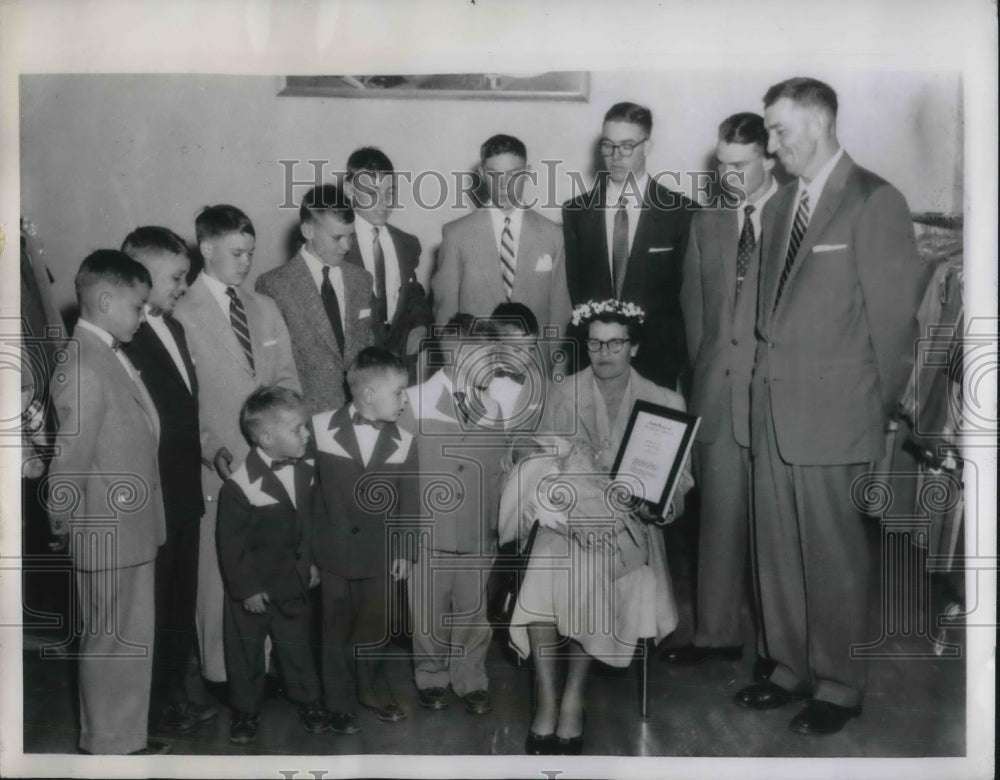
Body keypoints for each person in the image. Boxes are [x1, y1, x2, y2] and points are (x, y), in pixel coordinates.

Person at [736, 77, 924, 736]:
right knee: (778, 550)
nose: (772, 143)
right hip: (773, 409)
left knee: (835, 556)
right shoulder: (780, 205)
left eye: (780, 129)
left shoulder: (875, 201)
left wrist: (872, 417)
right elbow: (768, 317)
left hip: (837, 414)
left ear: (817, 124)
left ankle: (840, 684)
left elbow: (895, 328)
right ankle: (788, 667)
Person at [500, 299, 693, 755]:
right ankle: (547, 698)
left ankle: (572, 700)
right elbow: (537, 457)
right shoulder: (562, 392)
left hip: (629, 527)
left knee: (591, 566)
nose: (604, 353)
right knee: (546, 564)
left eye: (615, 343)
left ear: (635, 347)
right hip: (565, 517)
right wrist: (551, 494)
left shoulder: (666, 401)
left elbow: (681, 481)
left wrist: (659, 507)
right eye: (595, 344)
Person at [667, 114, 778, 673]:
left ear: (770, 157)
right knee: (717, 521)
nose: (728, 175)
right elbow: (693, 307)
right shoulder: (706, 221)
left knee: (775, 529)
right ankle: (715, 635)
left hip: (776, 397)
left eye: (740, 165)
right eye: (721, 165)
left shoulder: (794, 216)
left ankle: (777, 648)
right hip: (715, 391)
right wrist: (704, 375)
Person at [46, 250, 169, 755]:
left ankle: (123, 741)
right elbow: (68, 462)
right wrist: (63, 527)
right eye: (139, 307)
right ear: (105, 299)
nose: (144, 317)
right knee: (111, 643)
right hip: (104, 530)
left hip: (129, 528)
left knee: (127, 642)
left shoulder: (106, 353)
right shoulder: (84, 364)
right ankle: (107, 749)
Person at [173, 204, 300, 686]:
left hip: (271, 461)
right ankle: (222, 673)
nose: (247, 262)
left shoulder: (265, 308)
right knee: (217, 571)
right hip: (217, 464)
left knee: (270, 562)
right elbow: (182, 401)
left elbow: (287, 378)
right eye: (237, 252)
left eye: (251, 252)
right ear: (206, 248)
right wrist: (210, 446)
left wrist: (285, 437)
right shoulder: (181, 313)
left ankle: (265, 668)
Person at [120, 226, 218, 734]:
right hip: (152, 496)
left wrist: (210, 448)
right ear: (142, 275)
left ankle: (174, 692)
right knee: (152, 605)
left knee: (179, 600)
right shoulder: (125, 338)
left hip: (185, 492)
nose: (184, 286)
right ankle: (152, 707)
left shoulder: (175, 328)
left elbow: (183, 408)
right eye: (176, 277)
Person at [398, 314, 504, 715]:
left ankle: (471, 675)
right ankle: (431, 673)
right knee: (427, 609)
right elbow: (399, 475)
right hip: (428, 530)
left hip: (477, 531)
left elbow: (495, 472)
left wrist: (496, 527)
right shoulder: (414, 400)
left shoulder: (493, 407)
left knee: (474, 610)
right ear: (456, 353)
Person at [312, 347, 420, 729]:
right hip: (332, 554)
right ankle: (337, 700)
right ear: (369, 394)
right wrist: (307, 552)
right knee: (334, 625)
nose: (406, 400)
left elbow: (410, 501)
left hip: (379, 555)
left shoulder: (404, 441)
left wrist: (406, 551)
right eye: (400, 392)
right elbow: (308, 495)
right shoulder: (320, 428)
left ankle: (371, 688)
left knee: (375, 625)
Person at [216, 386, 328, 744]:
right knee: (246, 651)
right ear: (266, 438)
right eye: (298, 429)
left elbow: (307, 522)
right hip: (253, 589)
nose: (307, 435)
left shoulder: (305, 469)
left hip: (291, 580)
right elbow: (230, 545)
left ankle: (308, 701)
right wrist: (246, 589)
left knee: (296, 645)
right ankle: (245, 710)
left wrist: (309, 562)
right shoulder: (239, 484)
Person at [562, 102, 698, 393]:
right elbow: (574, 290)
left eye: (626, 146)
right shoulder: (576, 212)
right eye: (608, 146)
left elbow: (687, 297)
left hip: (657, 362)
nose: (615, 156)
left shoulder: (681, 212)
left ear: (647, 147)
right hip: (592, 361)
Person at [431, 133, 571, 343]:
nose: (504, 184)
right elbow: (445, 316)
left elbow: (560, 315)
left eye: (513, 174)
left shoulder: (552, 235)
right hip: (475, 365)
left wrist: (552, 368)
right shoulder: (456, 235)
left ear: (527, 173)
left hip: (534, 366)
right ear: (482, 174)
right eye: (495, 174)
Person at [256, 183, 375, 414]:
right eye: (337, 237)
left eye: (351, 236)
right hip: (306, 416)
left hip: (360, 412)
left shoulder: (361, 279)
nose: (347, 246)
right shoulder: (274, 285)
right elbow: (271, 368)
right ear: (308, 231)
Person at [343, 147, 433, 382]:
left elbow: (413, 294)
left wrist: (421, 325)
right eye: (371, 192)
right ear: (349, 189)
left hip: (400, 369)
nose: (383, 201)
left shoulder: (406, 243)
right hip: (355, 371)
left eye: (389, 191)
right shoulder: (337, 245)